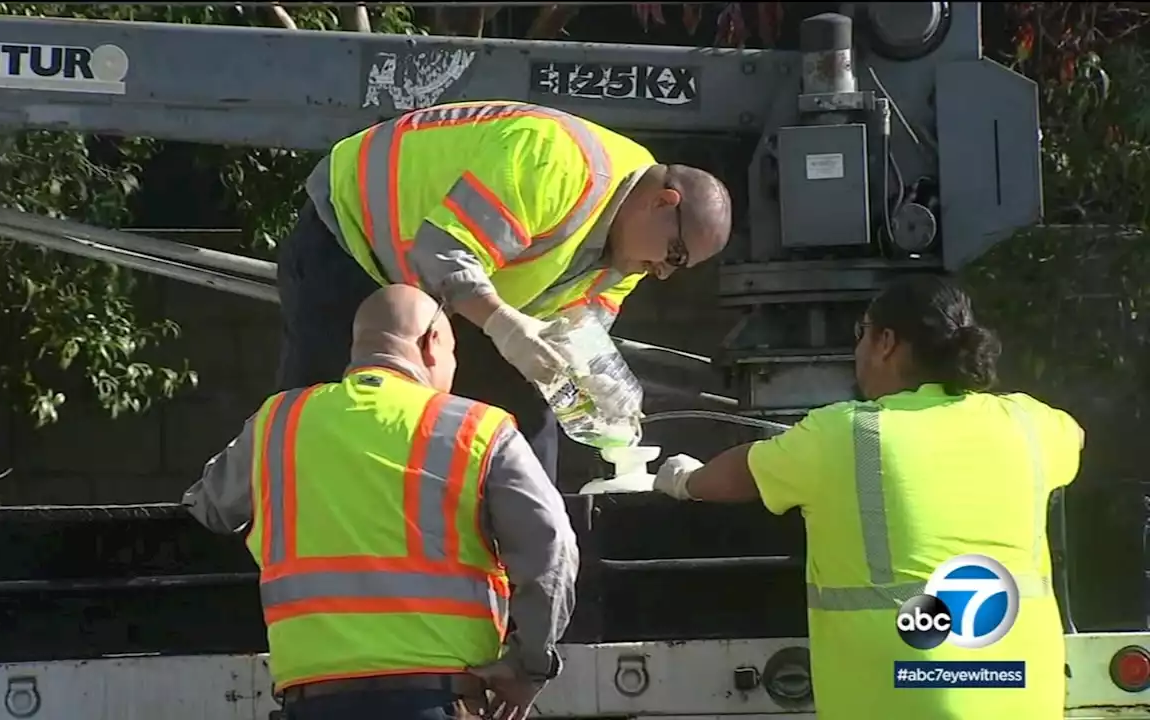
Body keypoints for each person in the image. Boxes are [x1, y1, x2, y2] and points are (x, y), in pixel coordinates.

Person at [651, 275, 1083, 720]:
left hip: (903, 697)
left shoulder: (847, 433)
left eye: (861, 334)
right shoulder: (1032, 425)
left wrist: (685, 479)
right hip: (1023, 694)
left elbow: (743, 473)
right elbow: (1073, 440)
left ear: (886, 342)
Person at [280, 99, 734, 484]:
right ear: (662, 202)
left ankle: (524, 557)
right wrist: (504, 325)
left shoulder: (632, 251)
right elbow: (444, 252)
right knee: (334, 413)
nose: (663, 272)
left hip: (457, 291)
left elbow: (576, 328)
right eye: (675, 254)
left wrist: (594, 378)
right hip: (353, 239)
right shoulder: (556, 160)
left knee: (524, 418)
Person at [184, 284, 580, 720]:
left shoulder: (277, 424)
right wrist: (531, 664)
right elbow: (551, 544)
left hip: (312, 702)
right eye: (452, 354)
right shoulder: (478, 428)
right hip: (436, 697)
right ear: (432, 343)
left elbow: (209, 507)